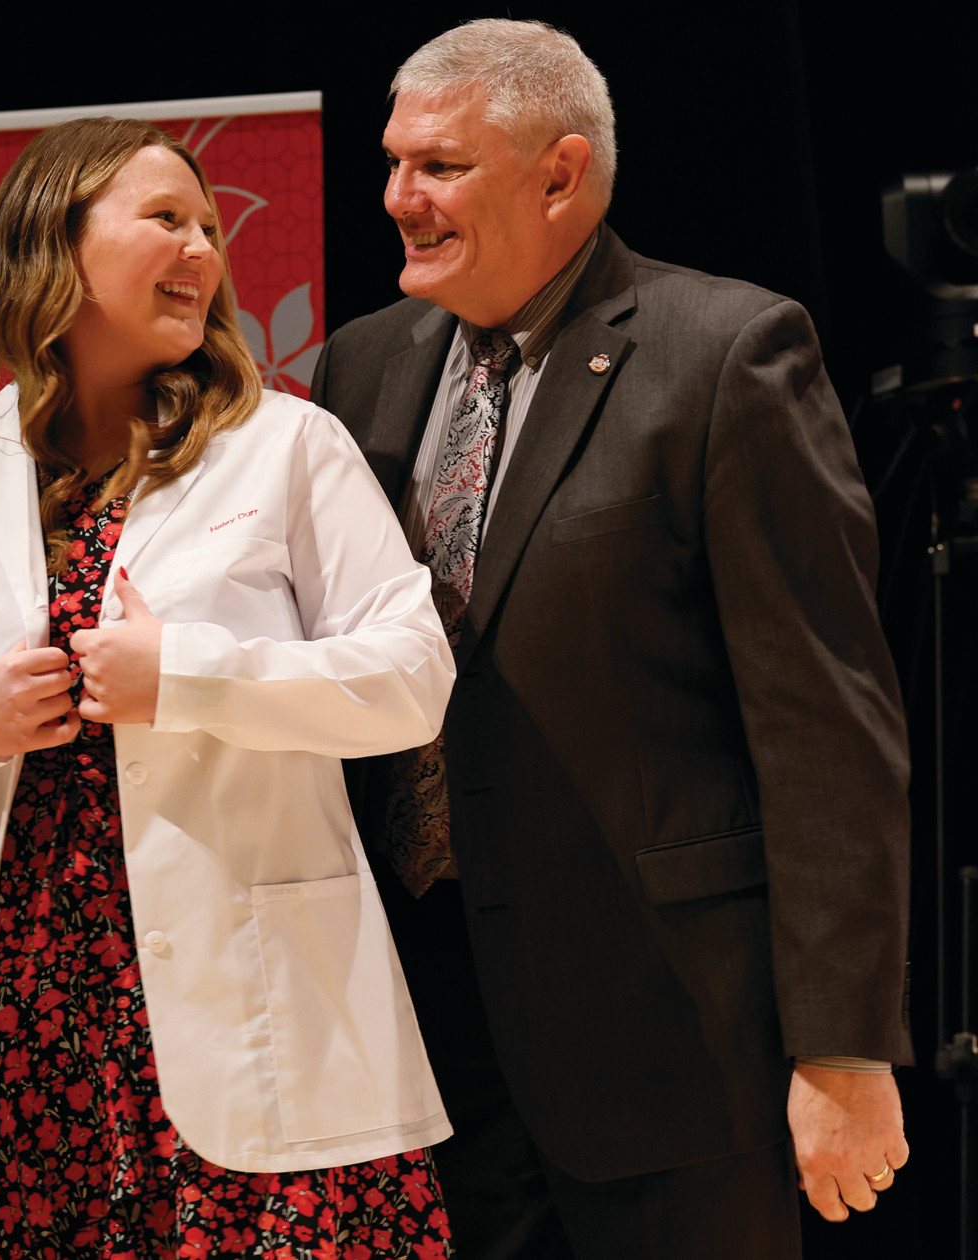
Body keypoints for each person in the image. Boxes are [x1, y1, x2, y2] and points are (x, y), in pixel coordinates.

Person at [0, 116, 459, 1258]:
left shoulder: (286, 446)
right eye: (164, 219)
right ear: (53, 243)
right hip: (6, 1040)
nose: (202, 248)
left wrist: (187, 676)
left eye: (208, 226)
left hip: (254, 1033)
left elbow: (408, 679)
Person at [308, 19, 912, 1259]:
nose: (396, 200)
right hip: (417, 1043)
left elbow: (823, 724)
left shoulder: (724, 356)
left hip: (666, 1040)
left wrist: (840, 1044)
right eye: (391, 163)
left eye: (438, 166)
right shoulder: (354, 370)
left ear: (557, 172)